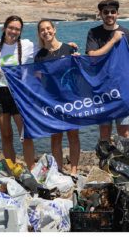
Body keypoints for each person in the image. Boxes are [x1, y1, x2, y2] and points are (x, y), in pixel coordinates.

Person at [86, 0, 129, 141]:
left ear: (117, 14)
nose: (109, 15)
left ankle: (125, 162)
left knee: (124, 133)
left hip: (123, 91)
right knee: (104, 133)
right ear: (100, 14)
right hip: (102, 91)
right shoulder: (94, 33)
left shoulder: (127, 34)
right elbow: (92, 56)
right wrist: (113, 40)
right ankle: (106, 163)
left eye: (112, 12)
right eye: (106, 12)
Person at [34, 19, 81, 176]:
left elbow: (78, 73)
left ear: (54, 30)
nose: (46, 31)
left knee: (73, 135)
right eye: (42, 30)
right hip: (51, 101)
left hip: (70, 99)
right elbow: (38, 80)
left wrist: (80, 60)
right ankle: (59, 170)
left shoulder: (70, 49)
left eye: (48, 28)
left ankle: (74, 170)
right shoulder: (40, 56)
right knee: (56, 138)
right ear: (40, 34)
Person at [0, 15, 35, 168]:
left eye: (17, 29)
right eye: (11, 28)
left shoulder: (26, 45)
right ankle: (12, 169)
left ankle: (31, 169)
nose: (14, 31)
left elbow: (46, 49)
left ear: (20, 32)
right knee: (6, 135)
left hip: (18, 94)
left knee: (25, 135)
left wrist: (68, 47)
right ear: (4, 28)